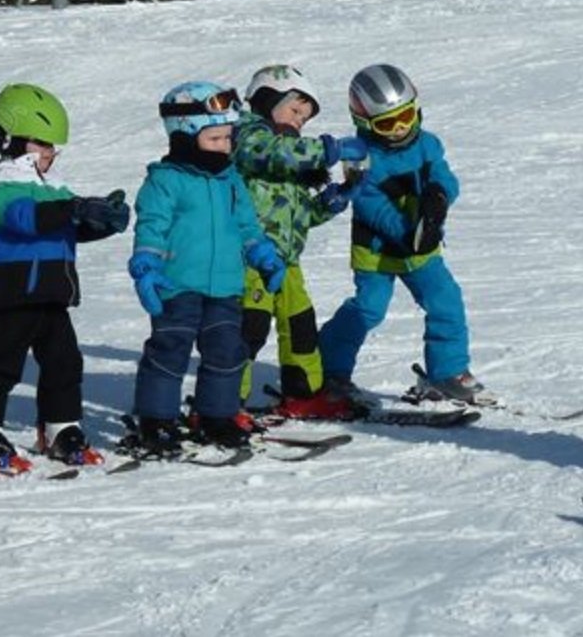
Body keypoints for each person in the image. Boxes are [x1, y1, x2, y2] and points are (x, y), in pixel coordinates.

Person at [0, 83, 130, 471]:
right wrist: (73, 207)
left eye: (54, 147)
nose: (50, 153)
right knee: (3, 362)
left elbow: (64, 226)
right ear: (11, 139)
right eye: (43, 144)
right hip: (17, 292)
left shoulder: (52, 186)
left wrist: (101, 220)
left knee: (65, 362)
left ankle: (60, 426)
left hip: (53, 292)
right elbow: (23, 218)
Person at [126, 81, 286, 455]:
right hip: (177, 283)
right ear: (184, 137)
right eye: (215, 139)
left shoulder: (230, 181)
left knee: (228, 350)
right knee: (170, 349)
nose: (225, 147)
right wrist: (146, 266)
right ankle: (157, 421)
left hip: (226, 287)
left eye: (228, 139)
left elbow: (246, 227)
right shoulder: (166, 181)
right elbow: (152, 226)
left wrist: (263, 255)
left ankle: (216, 416)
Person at [318, 64, 493, 405]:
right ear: (364, 123)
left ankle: (447, 372)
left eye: (406, 117)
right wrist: (407, 232)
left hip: (422, 247)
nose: (399, 130)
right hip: (379, 252)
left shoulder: (427, 144)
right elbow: (370, 205)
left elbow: (444, 176)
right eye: (386, 124)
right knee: (369, 309)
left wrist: (439, 197)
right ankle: (328, 369)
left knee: (446, 300)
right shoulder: (360, 156)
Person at [233, 64, 367, 420]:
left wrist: (329, 201)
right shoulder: (247, 136)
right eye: (294, 111)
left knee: (301, 326)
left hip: (288, 262)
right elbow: (271, 152)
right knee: (249, 329)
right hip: (249, 261)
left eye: (304, 119)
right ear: (266, 100)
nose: (298, 122)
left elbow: (298, 215)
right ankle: (225, 401)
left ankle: (303, 392)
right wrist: (329, 150)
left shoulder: (287, 155)